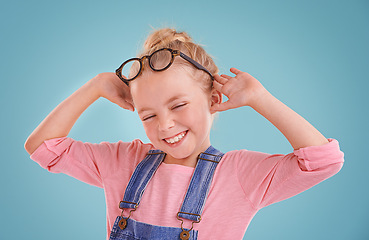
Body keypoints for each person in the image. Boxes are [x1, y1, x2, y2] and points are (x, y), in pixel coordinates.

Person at [24, 28, 344, 240]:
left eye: (178, 105)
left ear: (214, 100)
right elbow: (43, 147)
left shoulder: (239, 175)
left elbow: (322, 161)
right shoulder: (122, 161)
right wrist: (95, 86)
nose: (164, 125)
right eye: (148, 115)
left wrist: (261, 99)